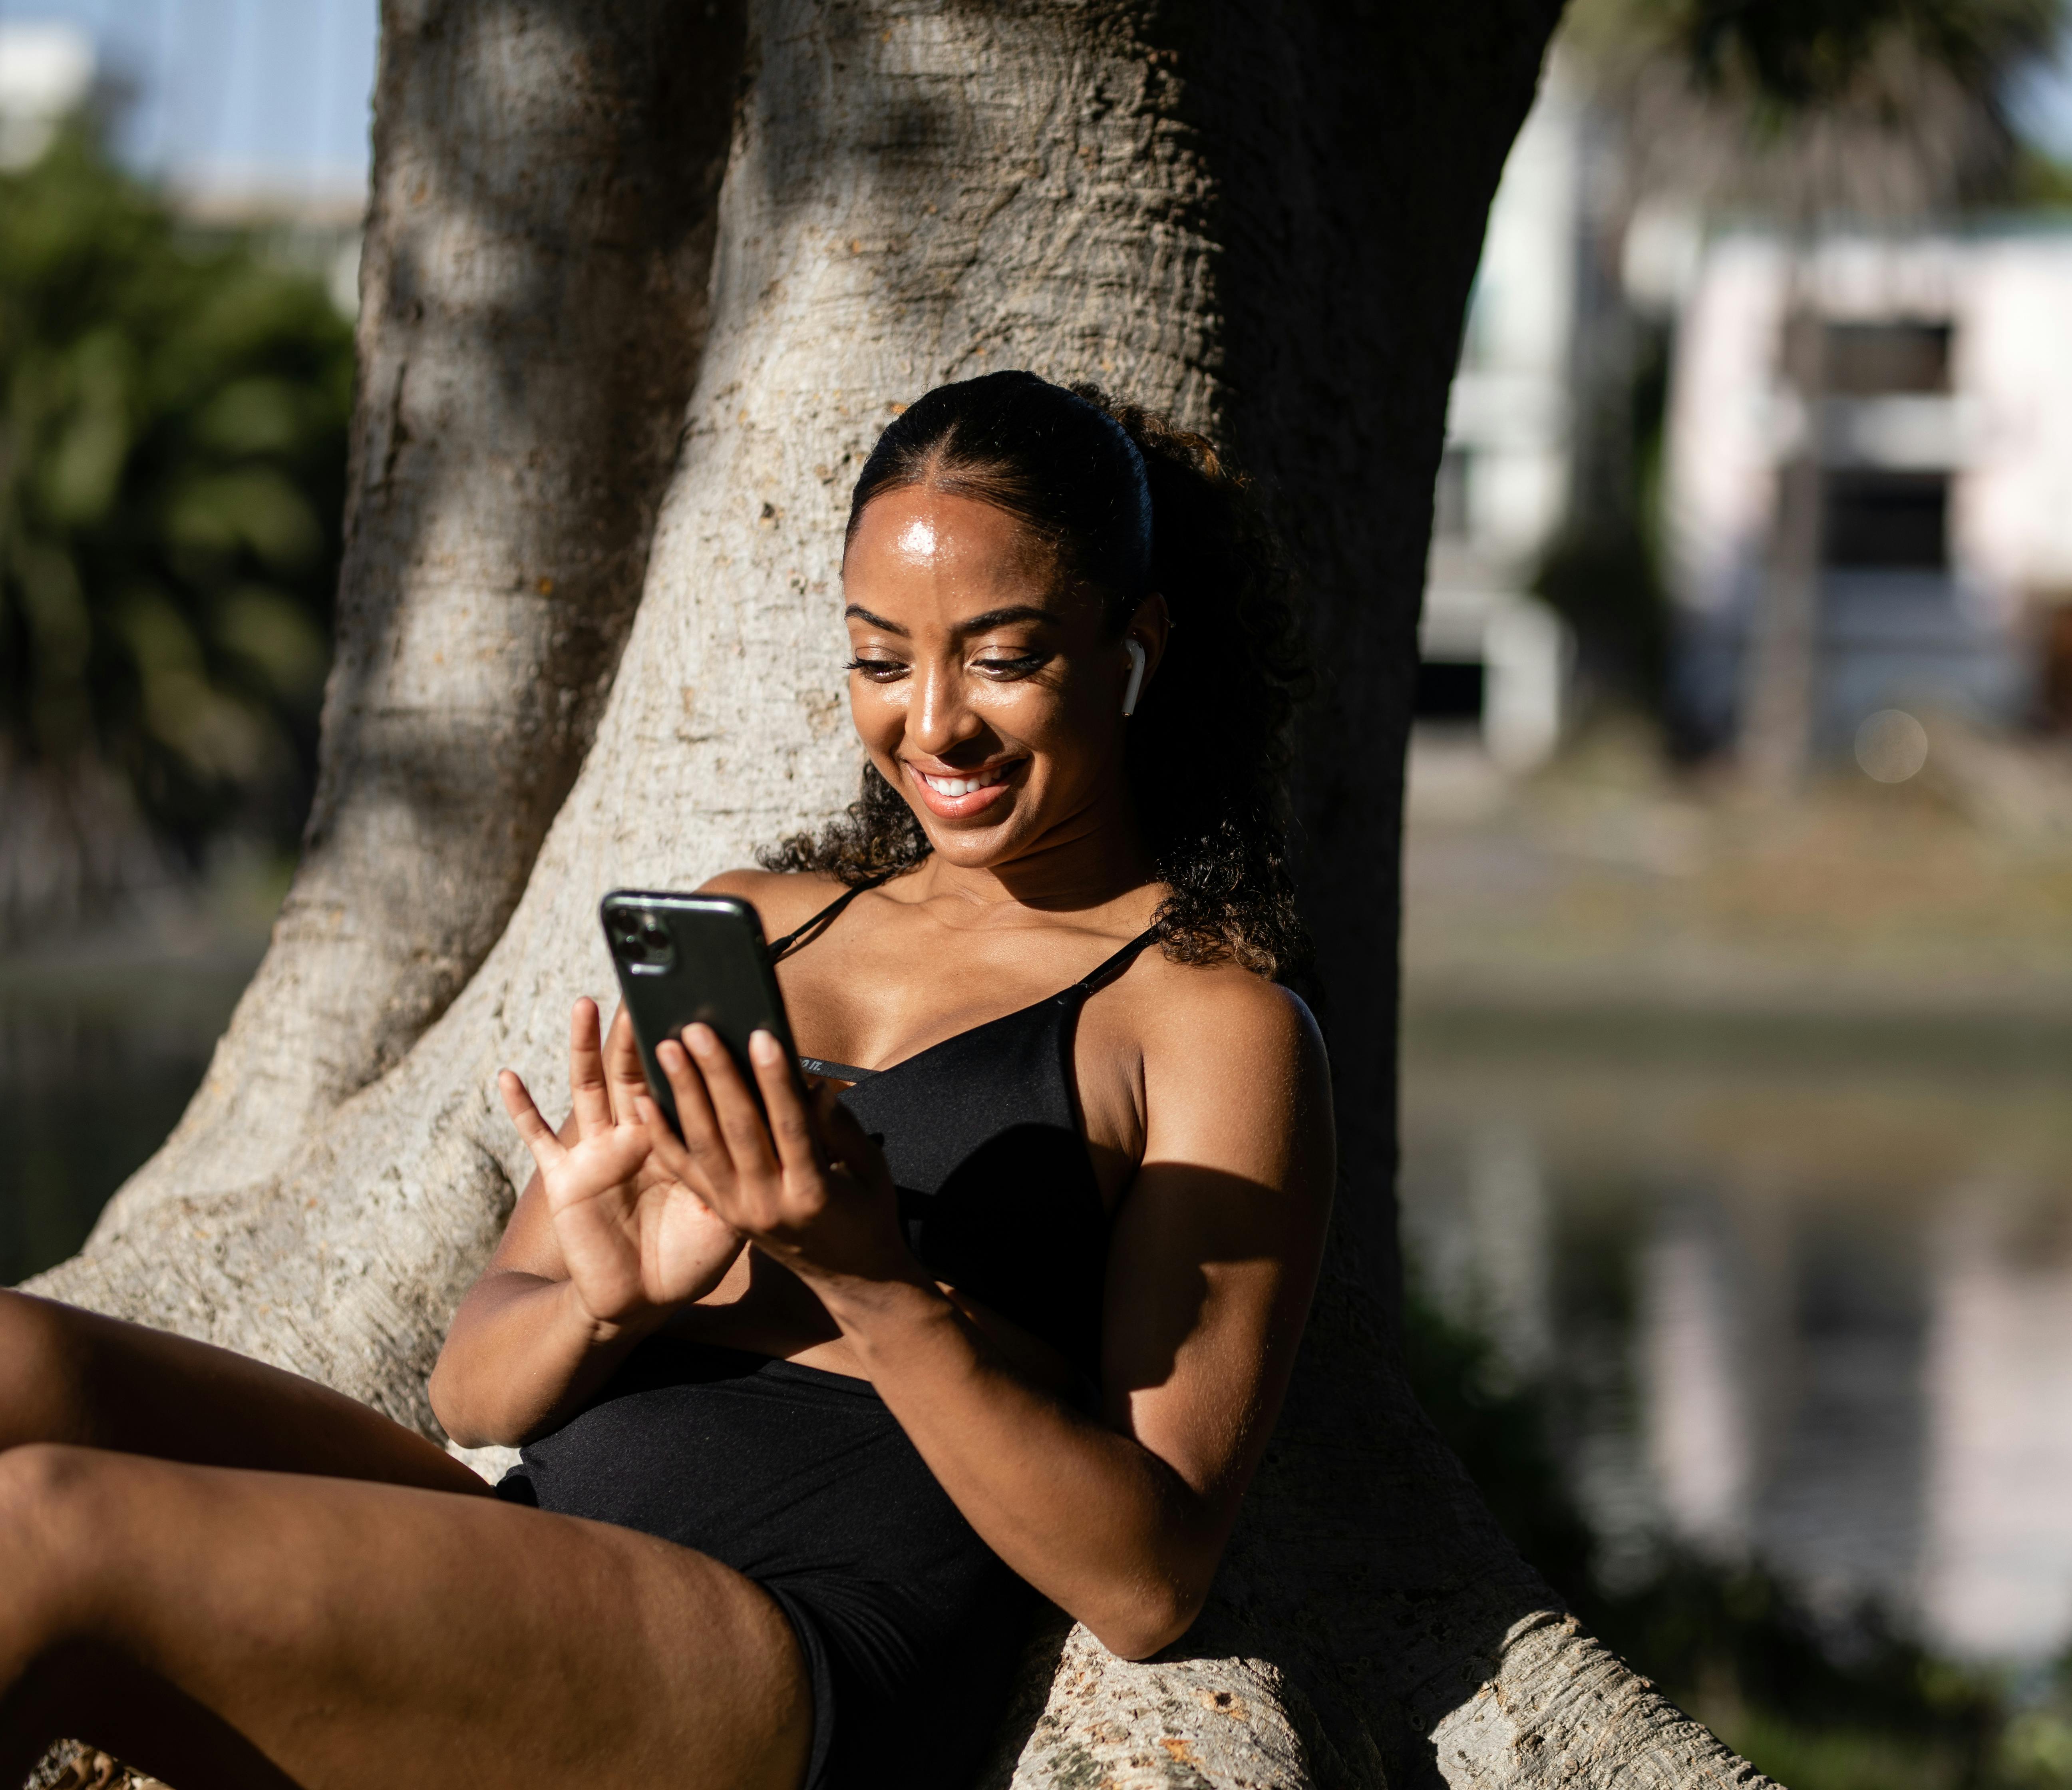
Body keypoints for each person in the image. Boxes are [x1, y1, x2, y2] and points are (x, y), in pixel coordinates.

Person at [0, 371, 1336, 1790]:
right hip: (540, 1540)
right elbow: (479, 1388)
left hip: (790, 1645)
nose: (934, 725)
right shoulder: (759, 921)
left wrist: (869, 1280)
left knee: (43, 1531)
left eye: (1002, 657)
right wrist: (602, 1291)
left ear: (1137, 648)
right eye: (882, 661)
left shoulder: (1209, 1023)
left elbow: (1146, 1579)